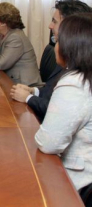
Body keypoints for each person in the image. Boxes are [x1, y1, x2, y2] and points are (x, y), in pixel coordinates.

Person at [35, 13, 92, 192]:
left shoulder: (74, 83)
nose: (55, 46)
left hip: (80, 184)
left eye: (57, 41)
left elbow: (48, 143)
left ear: (71, 48)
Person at [10, 0, 92, 122]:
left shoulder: (82, 68)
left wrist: (28, 98)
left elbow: (59, 110)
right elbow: (51, 90)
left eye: (55, 21)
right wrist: (34, 91)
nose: (50, 26)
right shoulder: (68, 56)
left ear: (70, 25)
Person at [0, 2, 41, 85]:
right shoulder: (6, 34)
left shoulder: (15, 37)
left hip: (26, 86)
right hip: (13, 81)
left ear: (3, 23)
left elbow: (0, 64)